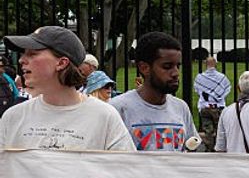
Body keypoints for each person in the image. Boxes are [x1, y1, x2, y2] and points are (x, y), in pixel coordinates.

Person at [0, 26, 133, 151]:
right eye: (23, 54)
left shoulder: (104, 116)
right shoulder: (13, 117)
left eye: (32, 54)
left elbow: (126, 170)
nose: (21, 60)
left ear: (62, 63)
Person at [111, 31, 199, 151]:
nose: (176, 73)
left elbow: (191, 148)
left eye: (178, 66)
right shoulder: (118, 108)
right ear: (144, 68)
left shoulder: (180, 107)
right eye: (167, 66)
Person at [192, 56, 230, 151]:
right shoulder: (222, 78)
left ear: (205, 64)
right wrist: (217, 96)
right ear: (216, 64)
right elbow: (227, 89)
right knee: (219, 129)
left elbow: (197, 89)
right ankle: (219, 148)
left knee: (208, 130)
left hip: (205, 107)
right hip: (219, 108)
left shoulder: (200, 77)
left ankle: (209, 148)